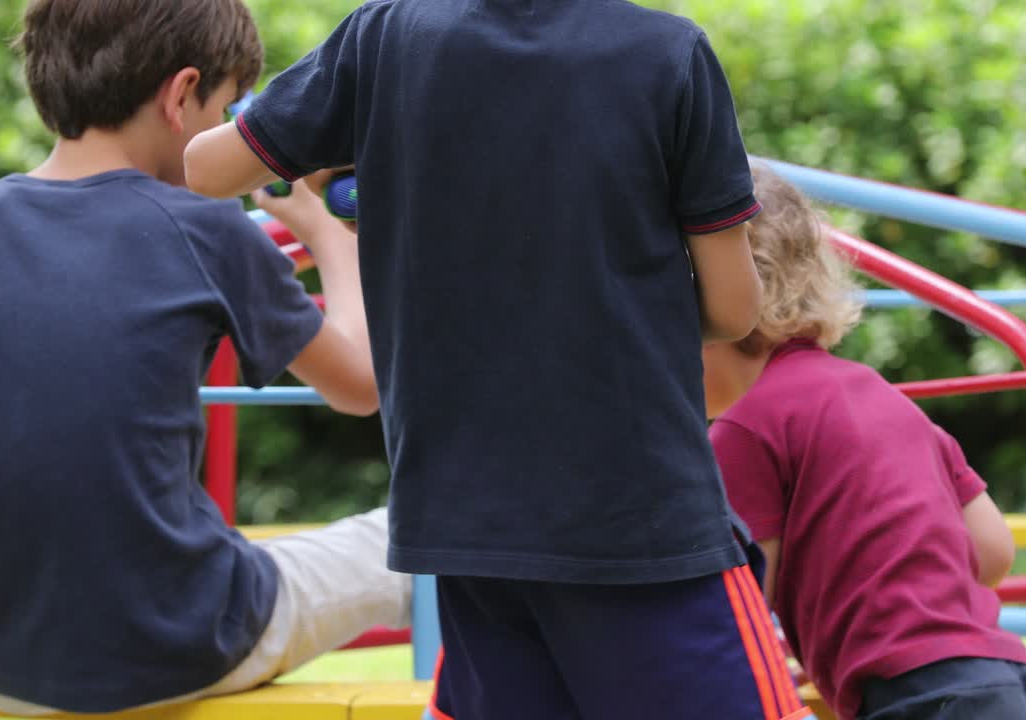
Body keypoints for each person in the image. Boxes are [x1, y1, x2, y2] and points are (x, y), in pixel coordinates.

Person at [183, 1, 812, 718]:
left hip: (465, 528)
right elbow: (735, 309)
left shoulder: (384, 37)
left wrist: (335, 150)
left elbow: (204, 169)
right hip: (638, 519)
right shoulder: (668, 52)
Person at [0, 1, 409, 714]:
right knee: (409, 534)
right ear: (182, 97)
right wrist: (328, 236)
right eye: (230, 111)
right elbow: (360, 386)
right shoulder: (204, 228)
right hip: (172, 647)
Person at [703, 163, 1026, 720]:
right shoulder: (878, 394)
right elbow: (993, 549)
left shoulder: (745, 429)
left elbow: (741, 610)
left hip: (921, 698)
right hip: (1011, 681)